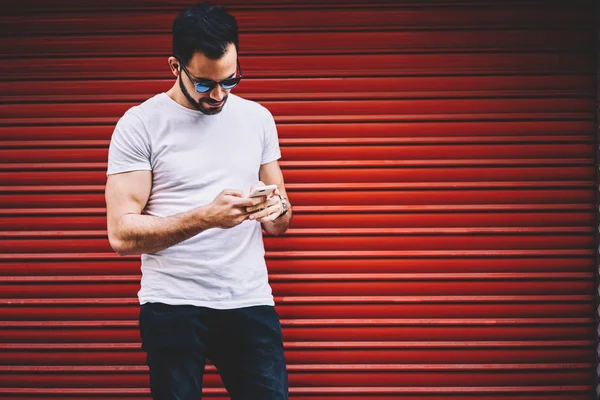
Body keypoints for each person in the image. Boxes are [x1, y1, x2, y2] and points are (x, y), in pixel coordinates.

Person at [104, 2, 291, 399]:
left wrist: (275, 210)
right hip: (173, 304)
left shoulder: (258, 118)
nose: (219, 94)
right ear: (175, 67)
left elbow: (281, 219)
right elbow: (122, 233)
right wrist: (208, 216)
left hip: (249, 299)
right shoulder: (140, 124)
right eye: (205, 84)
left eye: (231, 80)